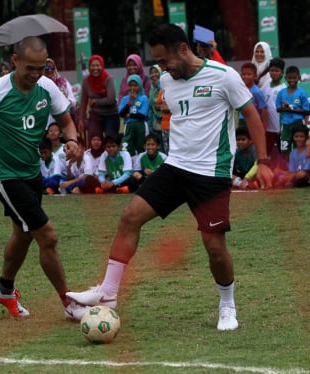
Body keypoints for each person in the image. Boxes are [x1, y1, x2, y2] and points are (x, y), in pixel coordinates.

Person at [67, 24, 273, 332]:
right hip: (175, 167)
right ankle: (107, 294)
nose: (162, 69)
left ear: (183, 49)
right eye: (158, 63)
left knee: (214, 246)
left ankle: (227, 304)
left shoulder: (223, 76)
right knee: (130, 216)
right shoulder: (167, 80)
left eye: (164, 61)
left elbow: (252, 115)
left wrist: (265, 161)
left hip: (211, 174)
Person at [0, 36, 87, 321]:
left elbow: (66, 120)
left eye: (41, 67)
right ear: (15, 61)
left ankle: (4, 289)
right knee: (47, 236)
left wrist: (72, 140)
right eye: (30, 68)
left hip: (32, 173)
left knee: (23, 234)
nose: (36, 74)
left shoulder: (47, 88)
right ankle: (69, 302)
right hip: (5, 176)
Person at [78, 55, 118, 138]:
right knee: (94, 139)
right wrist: (81, 119)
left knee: (110, 141)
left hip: (110, 115)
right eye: (92, 65)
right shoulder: (86, 81)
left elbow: (111, 100)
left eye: (97, 65)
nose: (95, 68)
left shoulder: (108, 79)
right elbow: (83, 102)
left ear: (102, 66)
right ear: (89, 67)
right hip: (95, 115)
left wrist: (96, 101)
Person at [276, 66, 310, 156]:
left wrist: (292, 110)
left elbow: (306, 111)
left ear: (299, 78)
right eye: (290, 78)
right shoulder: (281, 93)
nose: (292, 80)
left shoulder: (302, 93)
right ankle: (286, 168)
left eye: (294, 78)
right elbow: (278, 109)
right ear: (286, 78)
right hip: (285, 124)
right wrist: (284, 108)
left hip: (298, 123)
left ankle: (298, 168)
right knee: (284, 149)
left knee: (298, 148)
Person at [119, 74, 150, 159]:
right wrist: (130, 102)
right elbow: (121, 114)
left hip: (141, 126)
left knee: (141, 147)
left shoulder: (144, 98)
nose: (133, 88)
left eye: (135, 85)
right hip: (128, 126)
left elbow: (142, 115)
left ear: (140, 86)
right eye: (130, 85)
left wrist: (129, 115)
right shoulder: (125, 99)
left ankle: (142, 168)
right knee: (128, 148)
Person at [261, 58, 286, 161]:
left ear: (282, 73)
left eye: (277, 71)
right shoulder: (265, 85)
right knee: (265, 153)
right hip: (268, 128)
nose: (274, 73)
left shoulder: (283, 89)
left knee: (283, 152)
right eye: (272, 70)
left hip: (279, 129)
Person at [238, 63, 268, 130]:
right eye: (243, 74)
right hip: (242, 120)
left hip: (253, 120)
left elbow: (263, 109)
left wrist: (264, 125)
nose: (245, 76)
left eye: (249, 74)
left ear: (255, 76)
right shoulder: (241, 89)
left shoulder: (257, 92)